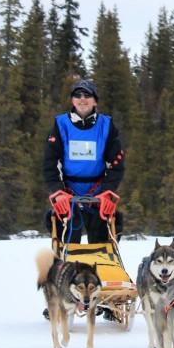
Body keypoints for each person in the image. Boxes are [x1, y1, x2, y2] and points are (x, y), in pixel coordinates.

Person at [43, 78, 125, 248]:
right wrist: (58, 192)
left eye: (87, 95)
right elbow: (50, 163)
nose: (82, 99)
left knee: (103, 246)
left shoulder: (106, 125)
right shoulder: (61, 125)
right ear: (72, 100)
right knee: (66, 247)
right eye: (77, 95)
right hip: (68, 194)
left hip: (98, 194)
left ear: (95, 101)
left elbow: (116, 163)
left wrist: (108, 191)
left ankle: (103, 272)